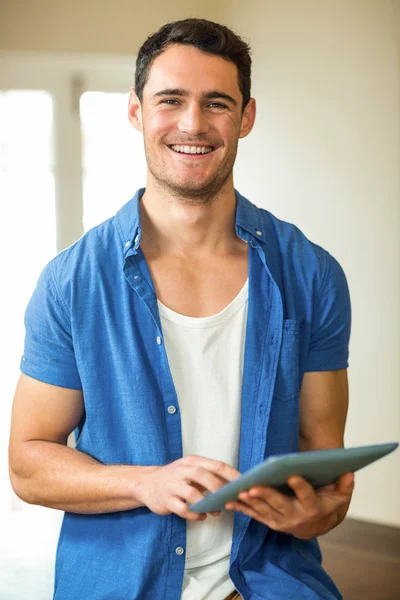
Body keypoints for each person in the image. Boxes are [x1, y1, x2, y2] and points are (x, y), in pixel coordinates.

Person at [8, 18, 354, 600]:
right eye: (171, 100)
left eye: (216, 103)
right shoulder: (70, 283)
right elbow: (27, 463)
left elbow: (325, 467)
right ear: (137, 112)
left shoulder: (312, 273)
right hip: (121, 586)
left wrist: (313, 516)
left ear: (245, 116)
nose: (193, 124)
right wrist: (147, 484)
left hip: (272, 584)